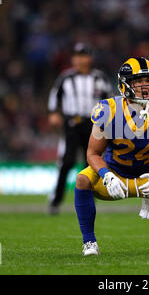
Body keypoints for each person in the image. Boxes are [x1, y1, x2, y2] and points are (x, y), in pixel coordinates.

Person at [74, 57, 149, 255]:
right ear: (124, 84)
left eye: (148, 81)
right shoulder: (108, 109)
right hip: (115, 177)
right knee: (82, 180)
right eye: (138, 81)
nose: (144, 86)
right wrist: (106, 174)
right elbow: (92, 153)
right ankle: (89, 242)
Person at [47, 42, 113, 215]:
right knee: (66, 161)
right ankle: (55, 200)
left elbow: (111, 100)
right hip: (72, 124)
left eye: (82, 56)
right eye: (76, 56)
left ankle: (89, 200)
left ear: (89, 58)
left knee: (91, 162)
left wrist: (109, 121)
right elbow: (55, 96)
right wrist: (54, 112)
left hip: (94, 125)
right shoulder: (66, 77)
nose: (78, 60)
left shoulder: (100, 78)